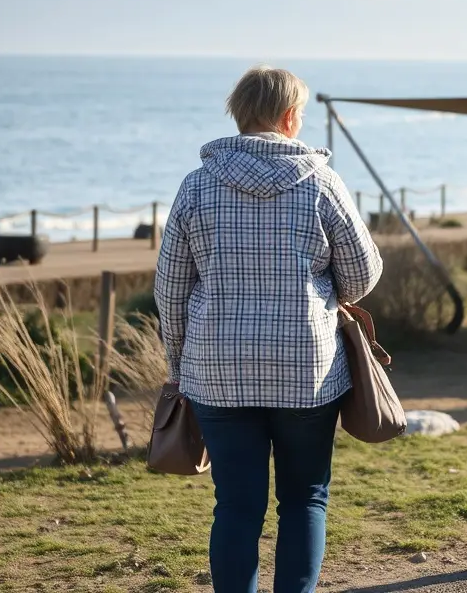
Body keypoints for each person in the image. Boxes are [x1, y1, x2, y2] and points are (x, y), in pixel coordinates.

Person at [154, 66, 383, 593]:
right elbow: (362, 274)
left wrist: (179, 364)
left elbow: (170, 289)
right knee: (304, 498)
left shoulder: (196, 186)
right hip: (307, 370)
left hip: (217, 371)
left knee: (236, 504)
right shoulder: (322, 183)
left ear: (239, 114)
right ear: (289, 117)